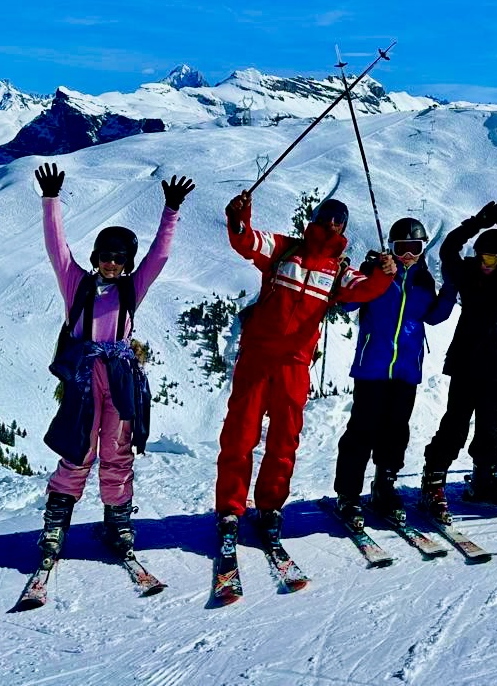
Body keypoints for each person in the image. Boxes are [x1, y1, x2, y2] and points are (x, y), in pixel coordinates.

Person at [215, 192, 395, 559]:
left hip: (295, 364)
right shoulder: (285, 249)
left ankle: (270, 508)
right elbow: (246, 241)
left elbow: (367, 290)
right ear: (314, 219)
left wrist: (385, 273)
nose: (332, 223)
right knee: (239, 434)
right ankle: (230, 510)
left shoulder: (339, 271)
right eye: (327, 216)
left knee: (284, 440)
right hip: (258, 358)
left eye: (338, 220)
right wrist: (239, 216)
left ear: (343, 229)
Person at [32, 161, 192, 562]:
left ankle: (117, 520)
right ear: (96, 257)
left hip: (119, 379)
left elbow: (159, 256)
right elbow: (56, 248)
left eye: (119, 258)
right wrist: (51, 200)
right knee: (78, 448)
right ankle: (56, 522)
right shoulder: (76, 284)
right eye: (105, 256)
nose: (111, 263)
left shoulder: (131, 289)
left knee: (117, 450)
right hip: (84, 379)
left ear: (127, 263)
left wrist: (171, 211)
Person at [332, 217, 457, 527]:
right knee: (362, 430)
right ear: (391, 247)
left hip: (406, 368)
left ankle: (384, 487)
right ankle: (348, 494)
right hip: (373, 366)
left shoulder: (423, 280)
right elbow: (347, 304)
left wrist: (451, 287)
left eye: (415, 247)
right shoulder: (377, 271)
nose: (408, 255)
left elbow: (434, 316)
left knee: (396, 431)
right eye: (402, 248)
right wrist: (371, 272)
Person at [419, 202, 497, 519]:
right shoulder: (468, 277)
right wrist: (476, 223)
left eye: (492, 258)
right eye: (481, 256)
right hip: (467, 362)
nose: (485, 263)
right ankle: (433, 481)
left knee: (489, 427)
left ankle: (484, 480)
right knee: (455, 425)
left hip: (496, 364)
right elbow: (448, 249)